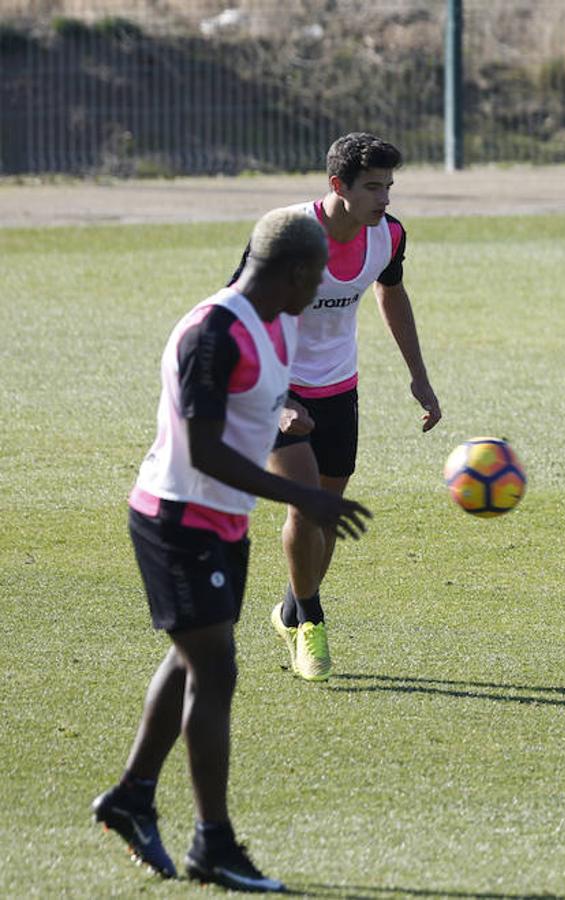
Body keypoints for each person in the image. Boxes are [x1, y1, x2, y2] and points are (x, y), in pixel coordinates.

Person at [92, 209, 372, 891]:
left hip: (220, 522)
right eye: (320, 280)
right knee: (215, 672)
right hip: (176, 519)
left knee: (193, 662)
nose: (323, 295)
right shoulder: (212, 332)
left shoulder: (274, 322)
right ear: (297, 271)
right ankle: (211, 843)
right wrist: (304, 498)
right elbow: (201, 448)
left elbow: (250, 405)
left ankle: (131, 796)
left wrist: (283, 412)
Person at [232, 132, 441, 683]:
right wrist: (278, 402)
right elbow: (238, 319)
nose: (385, 198)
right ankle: (312, 622)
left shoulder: (387, 236)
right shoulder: (285, 236)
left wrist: (418, 376)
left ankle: (290, 609)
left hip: (338, 388)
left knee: (324, 518)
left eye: (390, 186)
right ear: (337, 186)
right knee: (305, 507)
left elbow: (391, 292)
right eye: (373, 187)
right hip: (277, 387)